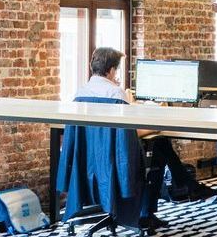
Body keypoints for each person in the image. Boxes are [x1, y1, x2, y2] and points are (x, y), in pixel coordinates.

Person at [77, 47, 195, 219]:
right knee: (159, 147)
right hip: (116, 161)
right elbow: (126, 135)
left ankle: (182, 184)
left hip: (90, 162)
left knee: (160, 144)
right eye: (116, 69)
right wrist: (154, 127)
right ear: (111, 70)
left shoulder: (80, 93)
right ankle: (148, 212)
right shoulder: (116, 94)